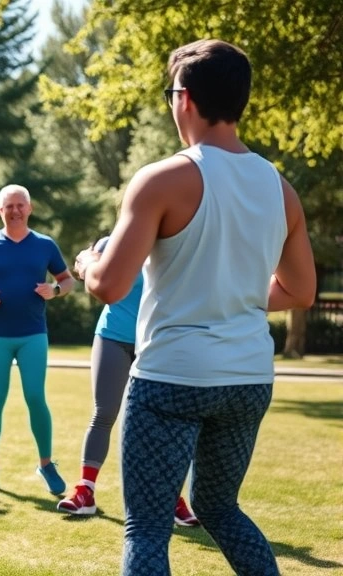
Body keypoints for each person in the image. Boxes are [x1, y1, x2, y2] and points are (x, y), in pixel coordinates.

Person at [74, 40, 315, 576]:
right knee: (220, 507)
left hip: (171, 379)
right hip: (248, 380)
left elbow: (109, 287)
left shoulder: (162, 179)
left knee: (148, 527)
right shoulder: (281, 188)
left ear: (183, 97)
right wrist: (239, 294)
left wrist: (89, 260)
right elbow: (299, 292)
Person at [57, 236, 198, 527]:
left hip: (156, 343)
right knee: (104, 412)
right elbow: (87, 273)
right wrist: (88, 260)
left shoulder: (175, 242)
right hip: (113, 336)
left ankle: (172, 499)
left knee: (166, 422)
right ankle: (85, 492)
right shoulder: (112, 243)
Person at [0, 184, 75, 496]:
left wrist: (56, 290)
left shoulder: (45, 245)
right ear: (0, 210)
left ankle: (46, 465)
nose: (15, 210)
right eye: (8, 206)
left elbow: (68, 280)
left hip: (33, 334)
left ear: (30, 208)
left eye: (20, 205)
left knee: (36, 397)